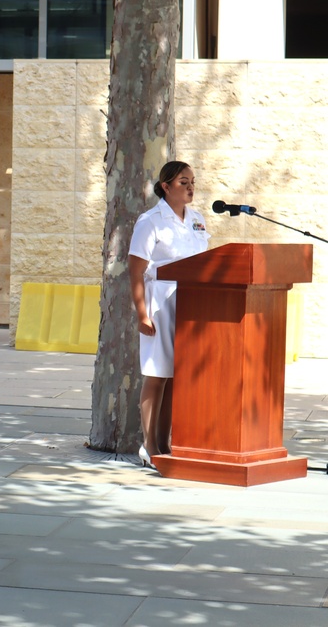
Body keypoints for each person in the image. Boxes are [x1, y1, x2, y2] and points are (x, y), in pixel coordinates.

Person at [128, 161, 210, 468]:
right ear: (165, 186)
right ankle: (149, 445)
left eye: (192, 182)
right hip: (160, 301)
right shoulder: (150, 221)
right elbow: (136, 271)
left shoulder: (197, 219)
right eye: (183, 182)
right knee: (157, 373)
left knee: (177, 377)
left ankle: (166, 443)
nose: (190, 188)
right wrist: (141, 313)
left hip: (192, 302)